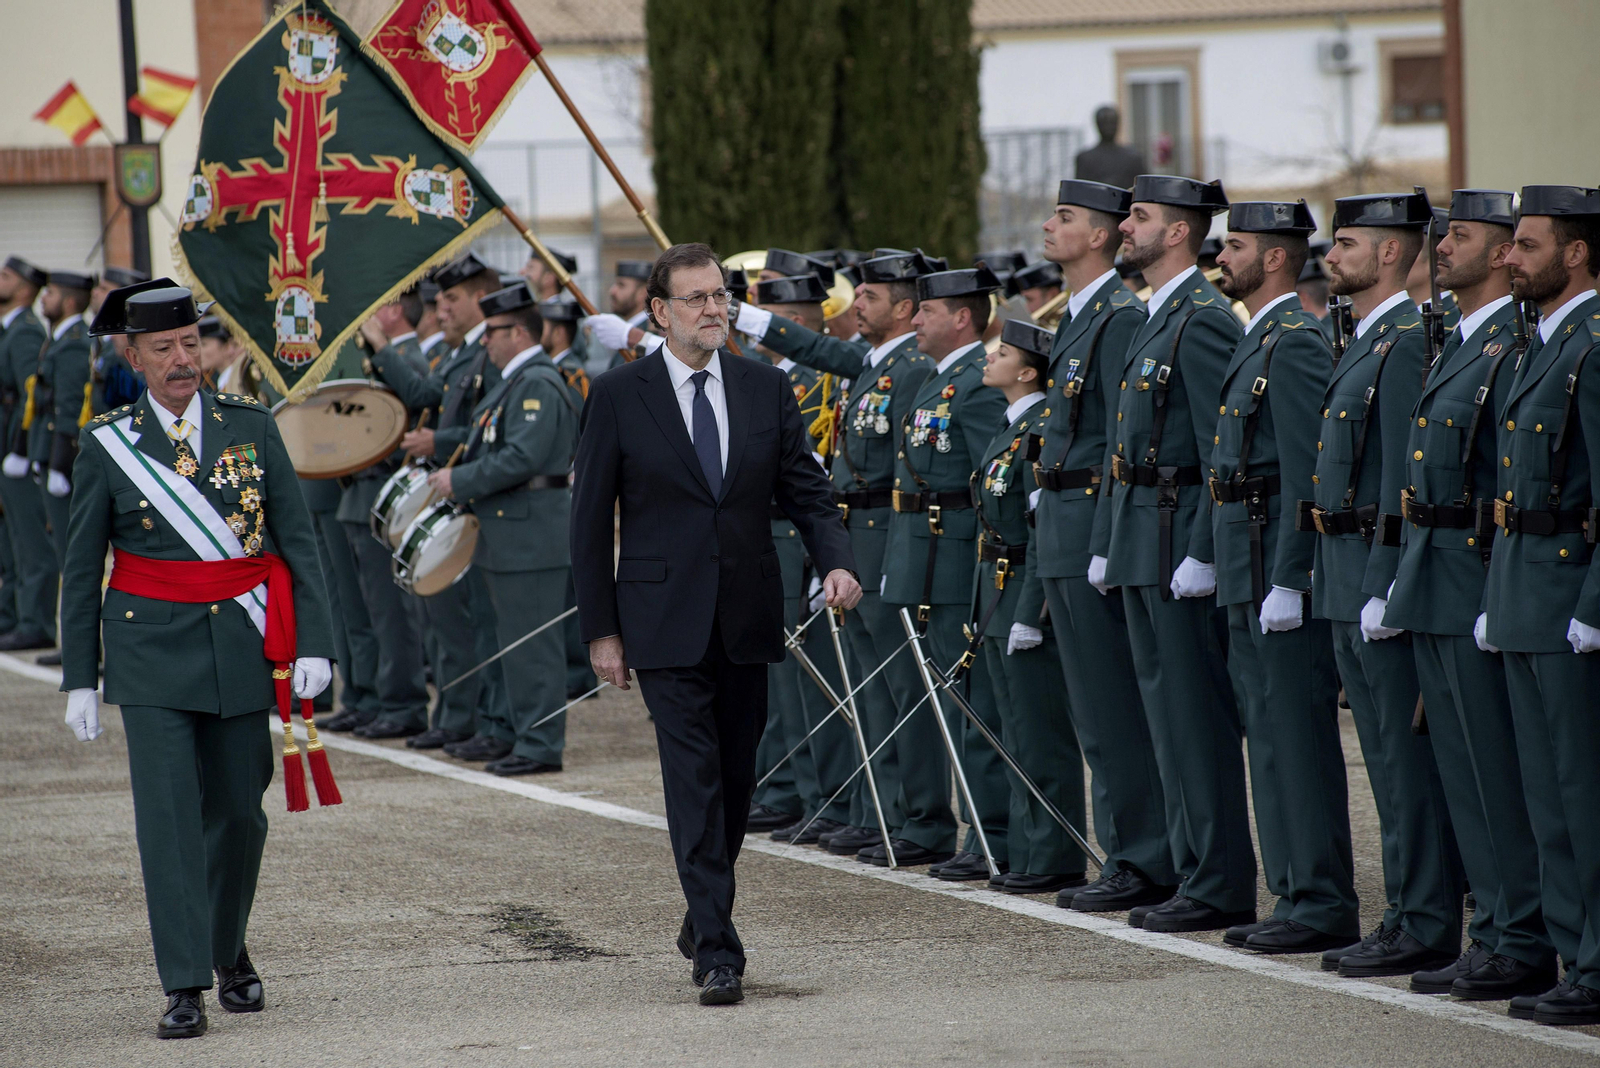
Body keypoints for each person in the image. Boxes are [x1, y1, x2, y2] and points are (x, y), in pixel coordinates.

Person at [570, 242, 859, 1005]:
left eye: (720, 296)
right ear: (660, 312)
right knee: (693, 780)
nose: (713, 310)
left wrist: (836, 559)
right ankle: (719, 950)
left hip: (747, 614)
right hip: (660, 619)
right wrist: (601, 630)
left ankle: (701, 916)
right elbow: (590, 520)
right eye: (695, 299)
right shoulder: (620, 395)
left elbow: (806, 487)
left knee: (734, 781)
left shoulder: (765, 387)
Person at [59, 278, 333, 1039]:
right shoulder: (108, 440)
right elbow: (83, 568)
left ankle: (226, 945)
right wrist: (82, 675)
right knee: (170, 821)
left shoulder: (250, 426)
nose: (182, 361)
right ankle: (185, 982)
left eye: (189, 345)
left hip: (243, 643)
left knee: (239, 815)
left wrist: (317, 641)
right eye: (163, 350)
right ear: (133, 356)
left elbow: (298, 543)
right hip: (148, 653)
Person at [1383, 188, 1556, 1001]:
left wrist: (1495, 591)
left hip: (1477, 578)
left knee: (1495, 773)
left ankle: (1518, 936)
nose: (1441, 247)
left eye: (1461, 236)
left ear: (1500, 253)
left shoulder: (1511, 350)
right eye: (1441, 236)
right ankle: (1492, 928)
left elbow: (1503, 483)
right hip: (1436, 575)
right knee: (1463, 772)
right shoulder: (1456, 341)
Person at [730, 248, 939, 859]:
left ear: (903, 309)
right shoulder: (872, 363)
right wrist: (743, 317)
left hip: (883, 536)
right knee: (870, 689)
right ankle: (878, 811)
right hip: (854, 536)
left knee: (895, 685)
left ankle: (911, 818)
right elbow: (817, 350)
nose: (853, 304)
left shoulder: (909, 367)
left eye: (869, 296)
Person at [1309, 190, 1462, 979]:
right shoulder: (1363, 339)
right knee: (1381, 758)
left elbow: (1405, 475)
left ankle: (1425, 918)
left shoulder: (1403, 343)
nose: (1331, 257)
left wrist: (1385, 584)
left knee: (1404, 767)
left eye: (1346, 244)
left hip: (1373, 575)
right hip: (1341, 572)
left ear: (1392, 254)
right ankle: (1406, 910)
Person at [1103, 174, 1254, 934]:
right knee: (1165, 718)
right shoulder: (1155, 316)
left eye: (1140, 216)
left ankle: (1219, 879)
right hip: (1141, 533)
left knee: (1195, 719)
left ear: (1179, 234)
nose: (1124, 228)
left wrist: (1203, 553)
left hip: (1176, 536)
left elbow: (1217, 448)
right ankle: (1193, 869)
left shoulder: (1203, 318)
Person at [1209, 201, 1357, 954]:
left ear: (1273, 258)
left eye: (1234, 246)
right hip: (1246, 555)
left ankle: (1321, 899)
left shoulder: (1294, 342)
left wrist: (1294, 576)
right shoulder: (1260, 336)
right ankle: (1295, 892)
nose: (1221, 256)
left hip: (1276, 557)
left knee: (1295, 738)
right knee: (1266, 737)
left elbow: (1308, 469)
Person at [1483, 184, 1600, 1026]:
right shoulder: (1538, 344)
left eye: (1526, 245)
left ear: (1577, 252)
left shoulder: (1591, 345)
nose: (1510, 258)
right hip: (1523, 586)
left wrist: (1593, 604)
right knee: (1545, 796)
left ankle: (1597, 962)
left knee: (1582, 792)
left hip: (1568, 592)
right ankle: (1573, 956)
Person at [884, 265, 1012, 880]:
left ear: (961, 317)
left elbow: (993, 482)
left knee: (974, 705)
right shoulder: (942, 379)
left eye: (926, 312)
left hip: (961, 559)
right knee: (952, 701)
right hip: (929, 557)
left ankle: (992, 830)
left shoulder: (976, 383)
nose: (914, 321)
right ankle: (976, 830)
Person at [428, 284, 579, 776]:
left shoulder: (536, 382)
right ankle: (513, 732)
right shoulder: (514, 381)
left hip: (530, 535)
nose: (485, 341)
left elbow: (523, 457)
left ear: (517, 332)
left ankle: (539, 744)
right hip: (509, 532)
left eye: (493, 332)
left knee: (532, 648)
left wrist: (459, 479)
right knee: (509, 645)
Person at [369, 254, 508, 753]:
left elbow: (490, 430)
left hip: (471, 496)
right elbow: (425, 391)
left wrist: (439, 441)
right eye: (440, 300)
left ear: (479, 298)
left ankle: (474, 717)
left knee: (468, 621)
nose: (440, 309)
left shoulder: (488, 351)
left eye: (451, 299)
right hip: (452, 494)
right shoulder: (457, 353)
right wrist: (381, 345)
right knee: (444, 618)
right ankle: (457, 713)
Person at [972, 318, 1088, 895]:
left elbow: (1041, 527)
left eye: (1002, 353)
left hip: (1022, 583)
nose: (989, 359)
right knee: (1014, 729)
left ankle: (1053, 854)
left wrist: (1029, 609)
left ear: (1026, 371)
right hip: (994, 581)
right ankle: (1026, 848)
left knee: (1040, 732)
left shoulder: (1040, 428)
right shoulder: (1011, 426)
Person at [741, 273, 856, 846]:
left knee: (809, 680)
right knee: (780, 680)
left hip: (796, 533)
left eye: (777, 312)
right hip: (765, 531)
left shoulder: (818, 378)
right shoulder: (770, 376)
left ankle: (817, 795)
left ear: (804, 317)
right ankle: (791, 789)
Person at [0, 256, 53, 652]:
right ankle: (13, 615)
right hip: (6, 451)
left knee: (29, 541)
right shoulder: (9, 330)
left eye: (5, 277)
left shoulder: (24, 333)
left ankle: (34, 621)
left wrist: (20, 450)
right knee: (11, 540)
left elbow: (29, 397)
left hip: (16, 453)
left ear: (23, 288)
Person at [34, 271, 95, 574]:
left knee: (70, 554)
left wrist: (59, 463)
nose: (43, 298)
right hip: (47, 450)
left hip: (63, 457)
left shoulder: (73, 343)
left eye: (51, 293)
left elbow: (69, 407)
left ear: (69, 302)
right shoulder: (59, 338)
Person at [1073, 105, 1146, 189]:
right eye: (1104, 123)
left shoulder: (1133, 157)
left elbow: (1143, 189)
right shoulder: (1085, 158)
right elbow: (1079, 191)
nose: (1108, 127)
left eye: (1112, 122)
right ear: (1097, 124)